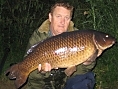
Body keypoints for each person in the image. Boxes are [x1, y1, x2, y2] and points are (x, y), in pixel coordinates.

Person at [24, 1, 96, 89]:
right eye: (58, 16)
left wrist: (87, 63)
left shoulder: (78, 37)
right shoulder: (38, 37)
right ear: (50, 17)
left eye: (67, 17)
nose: (62, 22)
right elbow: (32, 77)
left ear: (70, 20)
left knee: (86, 78)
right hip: (43, 84)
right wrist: (42, 72)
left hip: (65, 82)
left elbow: (78, 72)